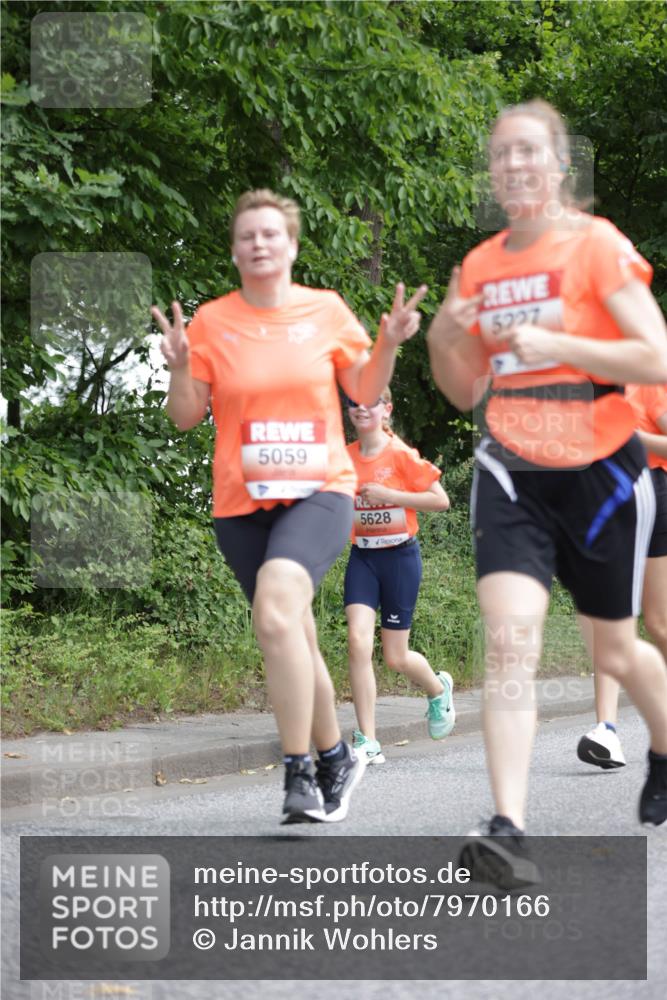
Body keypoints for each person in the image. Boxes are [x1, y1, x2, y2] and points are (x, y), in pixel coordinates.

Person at [427, 99, 667, 880]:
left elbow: (654, 356)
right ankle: (507, 827)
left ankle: (662, 748)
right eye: (499, 156)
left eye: (528, 152)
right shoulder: (479, 264)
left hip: (600, 469)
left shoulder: (595, 246)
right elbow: (461, 391)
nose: (512, 166)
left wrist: (557, 341)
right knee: (509, 643)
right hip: (512, 468)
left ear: (560, 166)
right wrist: (442, 336)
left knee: (616, 648)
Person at [151, 188, 427, 825]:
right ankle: (335, 754)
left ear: (292, 245)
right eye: (247, 235)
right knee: (289, 628)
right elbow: (187, 417)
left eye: (271, 234)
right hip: (241, 503)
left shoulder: (325, 311)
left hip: (319, 491)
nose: (259, 243)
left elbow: (362, 388)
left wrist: (386, 342)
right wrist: (180, 366)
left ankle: (299, 772)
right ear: (234, 249)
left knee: (276, 605)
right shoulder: (213, 322)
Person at [343, 387, 453, 764]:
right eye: (354, 403)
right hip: (364, 558)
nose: (360, 409)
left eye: (369, 402)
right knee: (357, 642)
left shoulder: (401, 455)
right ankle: (367, 740)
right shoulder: (344, 458)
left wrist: (390, 494)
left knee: (395, 657)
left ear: (386, 409)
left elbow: (440, 500)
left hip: (401, 558)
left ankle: (438, 690)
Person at [577, 382, 667, 769]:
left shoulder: (649, 385)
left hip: (653, 491)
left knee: (658, 623)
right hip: (600, 499)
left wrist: (629, 434)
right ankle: (606, 730)